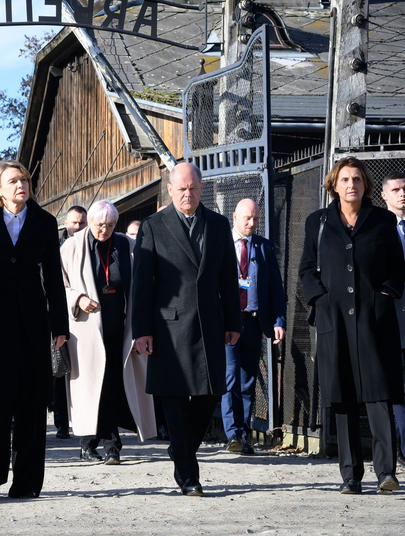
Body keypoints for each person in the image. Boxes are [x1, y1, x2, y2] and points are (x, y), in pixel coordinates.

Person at [0, 160, 69, 499]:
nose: (21, 184)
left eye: (24, 179)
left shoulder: (45, 222)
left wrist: (59, 326)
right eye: (13, 180)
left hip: (32, 322)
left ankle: (26, 482)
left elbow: (53, 276)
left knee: (32, 405)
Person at [132, 162, 241, 497]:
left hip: (210, 325)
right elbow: (142, 283)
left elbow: (227, 278)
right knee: (175, 400)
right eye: (181, 189)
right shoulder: (154, 226)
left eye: (193, 188)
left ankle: (180, 449)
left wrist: (234, 321)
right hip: (169, 327)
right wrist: (141, 329)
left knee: (209, 395)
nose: (188, 194)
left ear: (202, 188)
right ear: (170, 188)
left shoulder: (219, 225)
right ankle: (189, 476)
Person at [299, 157, 404, 495]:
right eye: (345, 179)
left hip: (375, 322)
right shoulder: (318, 221)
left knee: (379, 396)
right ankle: (350, 476)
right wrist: (321, 301)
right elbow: (306, 270)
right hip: (335, 323)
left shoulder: (383, 221)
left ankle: (386, 472)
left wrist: (385, 295)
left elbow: (397, 268)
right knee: (342, 397)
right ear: (334, 184)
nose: (351, 185)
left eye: (357, 179)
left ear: (365, 185)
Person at [60, 200, 156, 465]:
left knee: (115, 384)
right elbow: (58, 286)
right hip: (87, 329)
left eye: (110, 225)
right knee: (93, 387)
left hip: (121, 328)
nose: (104, 230)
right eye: (100, 225)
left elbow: (142, 286)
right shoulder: (71, 247)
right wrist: (78, 299)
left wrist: (140, 329)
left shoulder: (128, 245)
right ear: (90, 222)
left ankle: (113, 446)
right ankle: (87, 444)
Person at [222, 199, 286, 455]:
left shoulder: (264, 247)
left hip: (253, 321)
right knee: (230, 376)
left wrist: (278, 321)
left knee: (247, 379)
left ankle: (243, 433)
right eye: (247, 218)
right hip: (228, 322)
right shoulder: (222, 245)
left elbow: (276, 289)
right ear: (234, 216)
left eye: (256, 219)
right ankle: (232, 433)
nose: (251, 224)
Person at [55, 206, 87, 438]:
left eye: (81, 223)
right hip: (58, 314)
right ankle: (61, 424)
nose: (77, 227)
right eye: (74, 223)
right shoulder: (57, 246)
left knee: (78, 372)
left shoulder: (88, 246)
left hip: (81, 316)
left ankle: (80, 421)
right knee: (58, 370)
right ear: (66, 223)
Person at [380, 171, 405, 469]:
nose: (402, 194)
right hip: (388, 321)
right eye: (396, 189)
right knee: (393, 391)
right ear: (384, 195)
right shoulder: (379, 228)